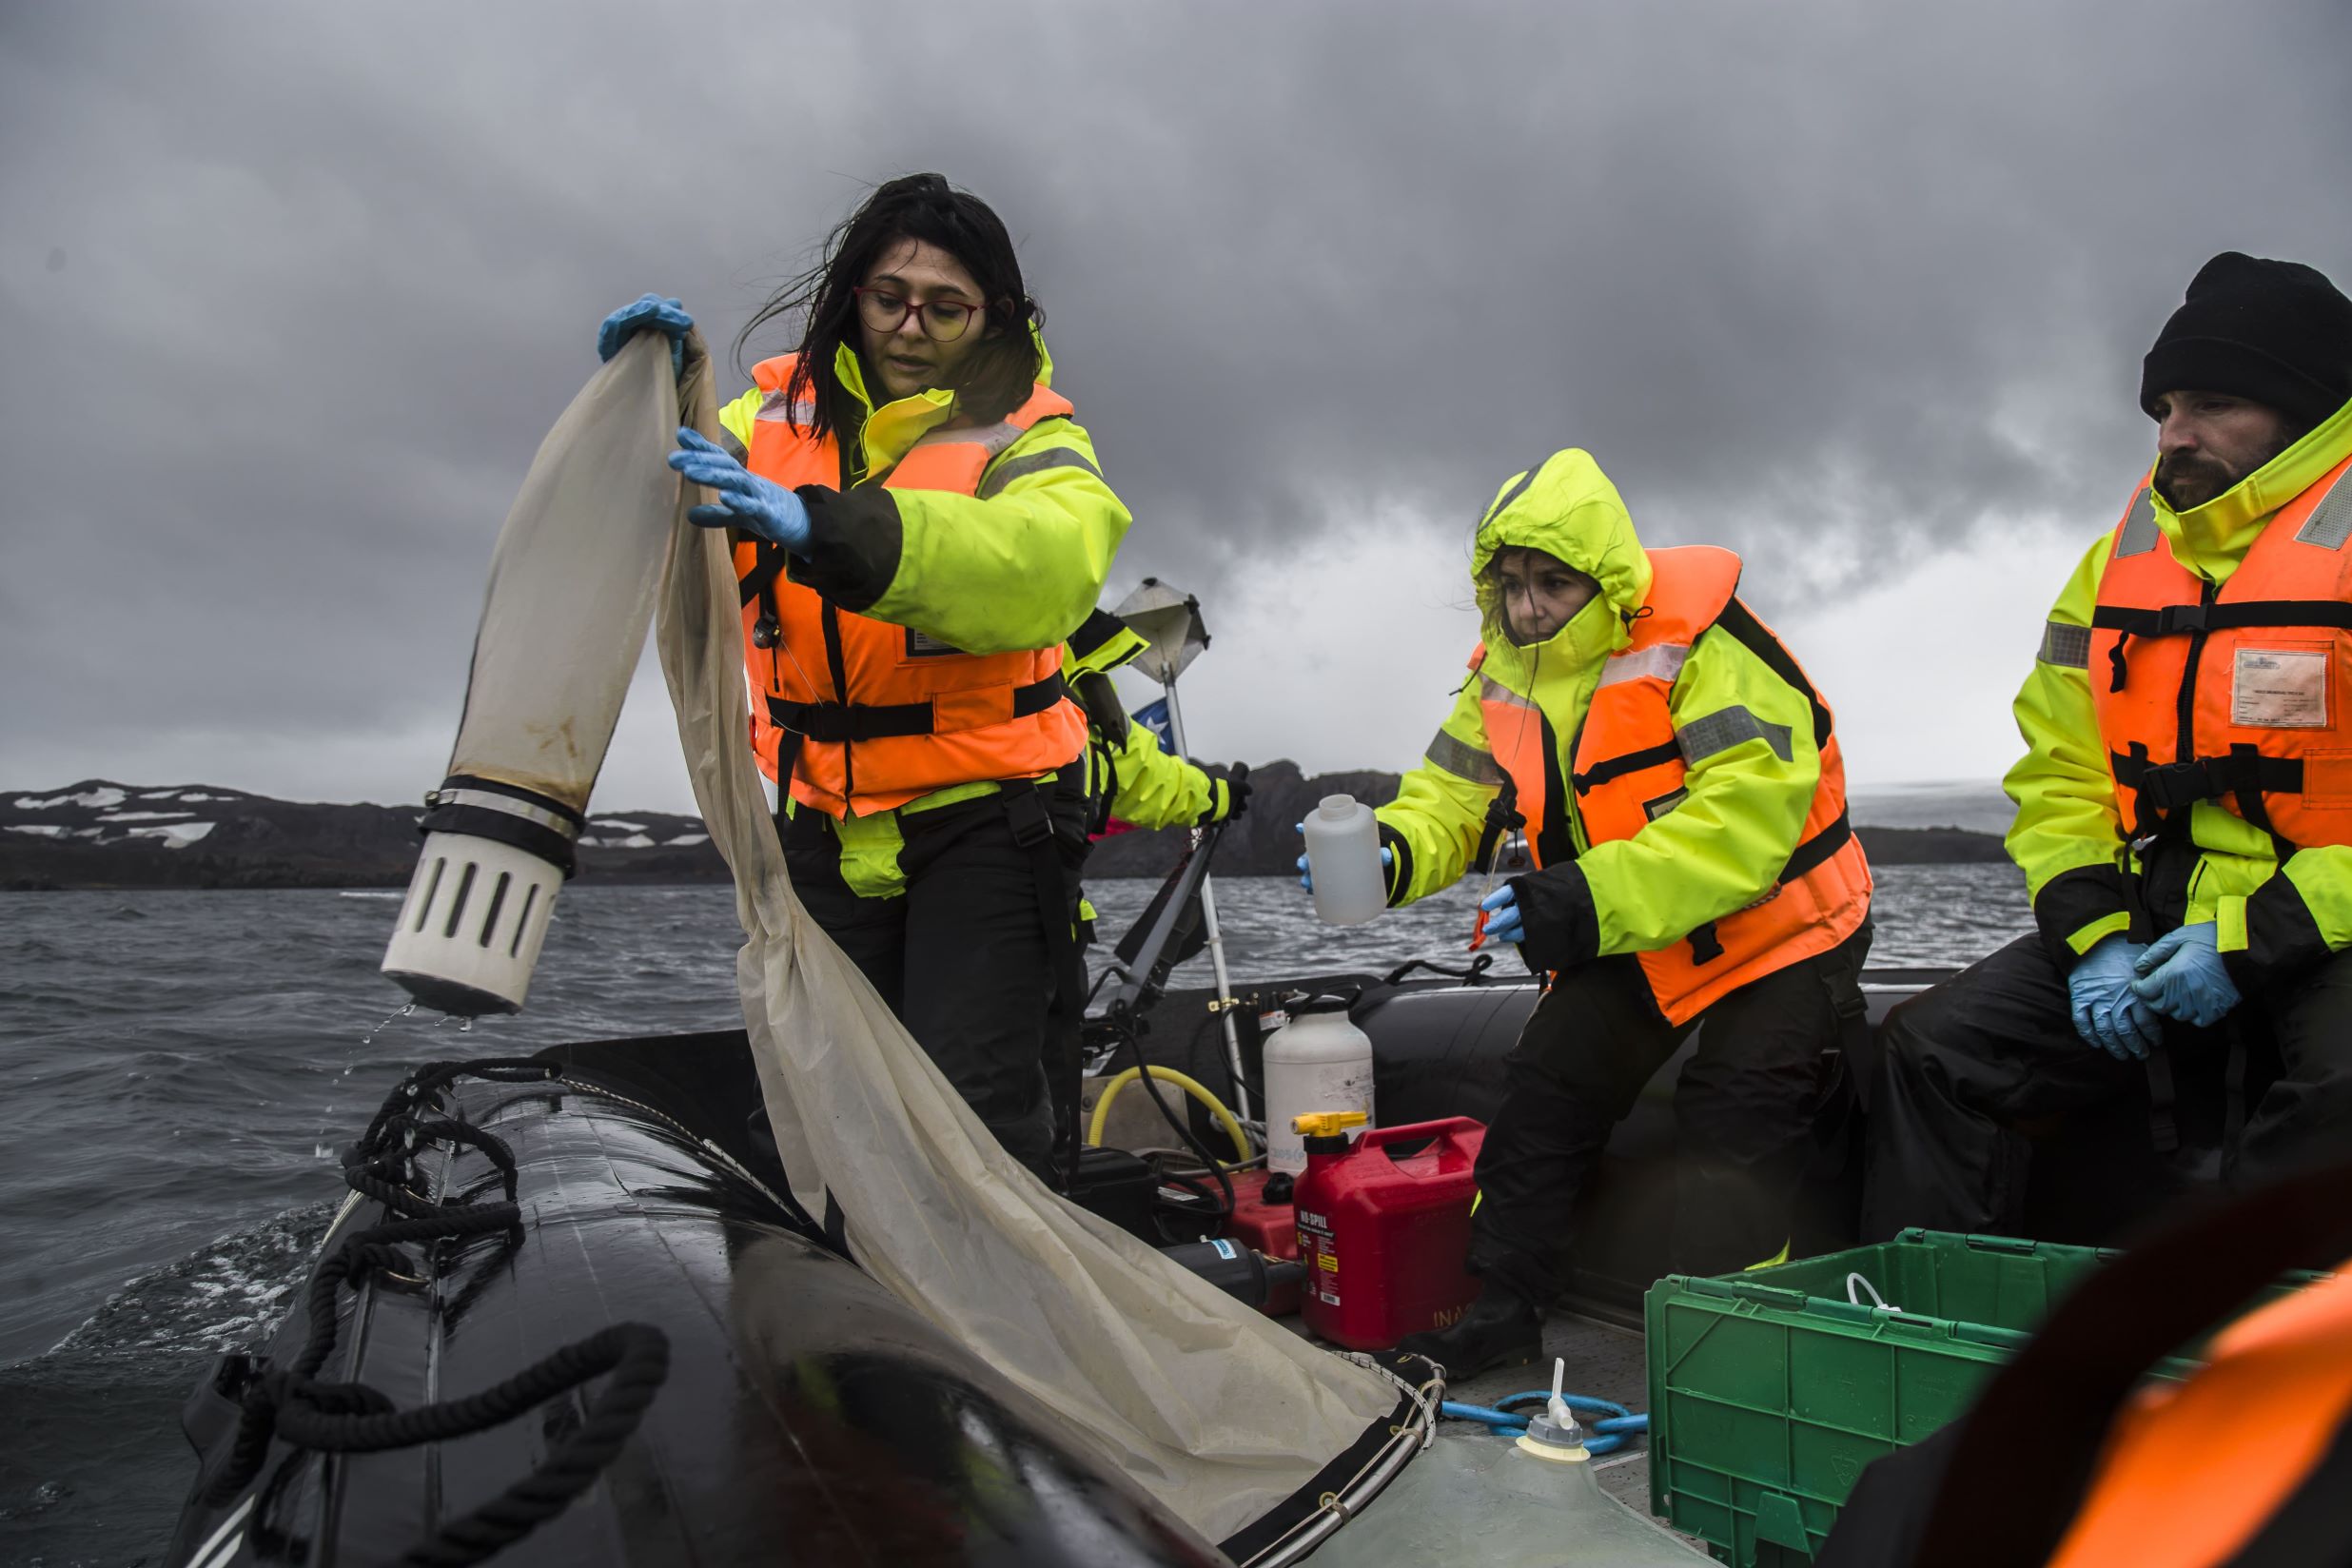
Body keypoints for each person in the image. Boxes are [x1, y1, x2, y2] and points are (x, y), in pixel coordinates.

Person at [596, 173, 1131, 1178]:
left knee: (971, 1120)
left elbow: (1047, 565)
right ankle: (824, 1312)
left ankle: (994, 1322)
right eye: (890, 298)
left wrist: (826, 526)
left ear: (995, 316)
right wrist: (650, 390)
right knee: (813, 1098)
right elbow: (673, 476)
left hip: (988, 815)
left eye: (946, 306)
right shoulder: (764, 417)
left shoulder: (1037, 436)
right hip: (820, 818)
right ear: (853, 294)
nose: (912, 326)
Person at [1309, 448, 1872, 1377]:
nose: (1528, 606)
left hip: (1786, 930)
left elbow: (1744, 832)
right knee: (1542, 1091)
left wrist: (1580, 900)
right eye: (1512, 583)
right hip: (1640, 929)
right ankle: (1502, 1307)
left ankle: (1749, 1338)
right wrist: (1392, 851)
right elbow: (1449, 798)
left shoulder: (1708, 645)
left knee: (1738, 1111)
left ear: (1602, 578)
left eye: (1552, 583)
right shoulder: (1501, 669)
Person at [1862, 253, 2352, 1242]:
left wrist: (2253, 939)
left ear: (2307, 410)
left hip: (2325, 922)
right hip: (2156, 914)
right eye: (2165, 408)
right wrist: (2094, 937)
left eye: (2212, 404)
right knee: (1929, 1047)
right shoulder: (2119, 560)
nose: (2175, 434)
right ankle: (1928, 1342)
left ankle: (2255, 1369)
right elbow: (2061, 772)